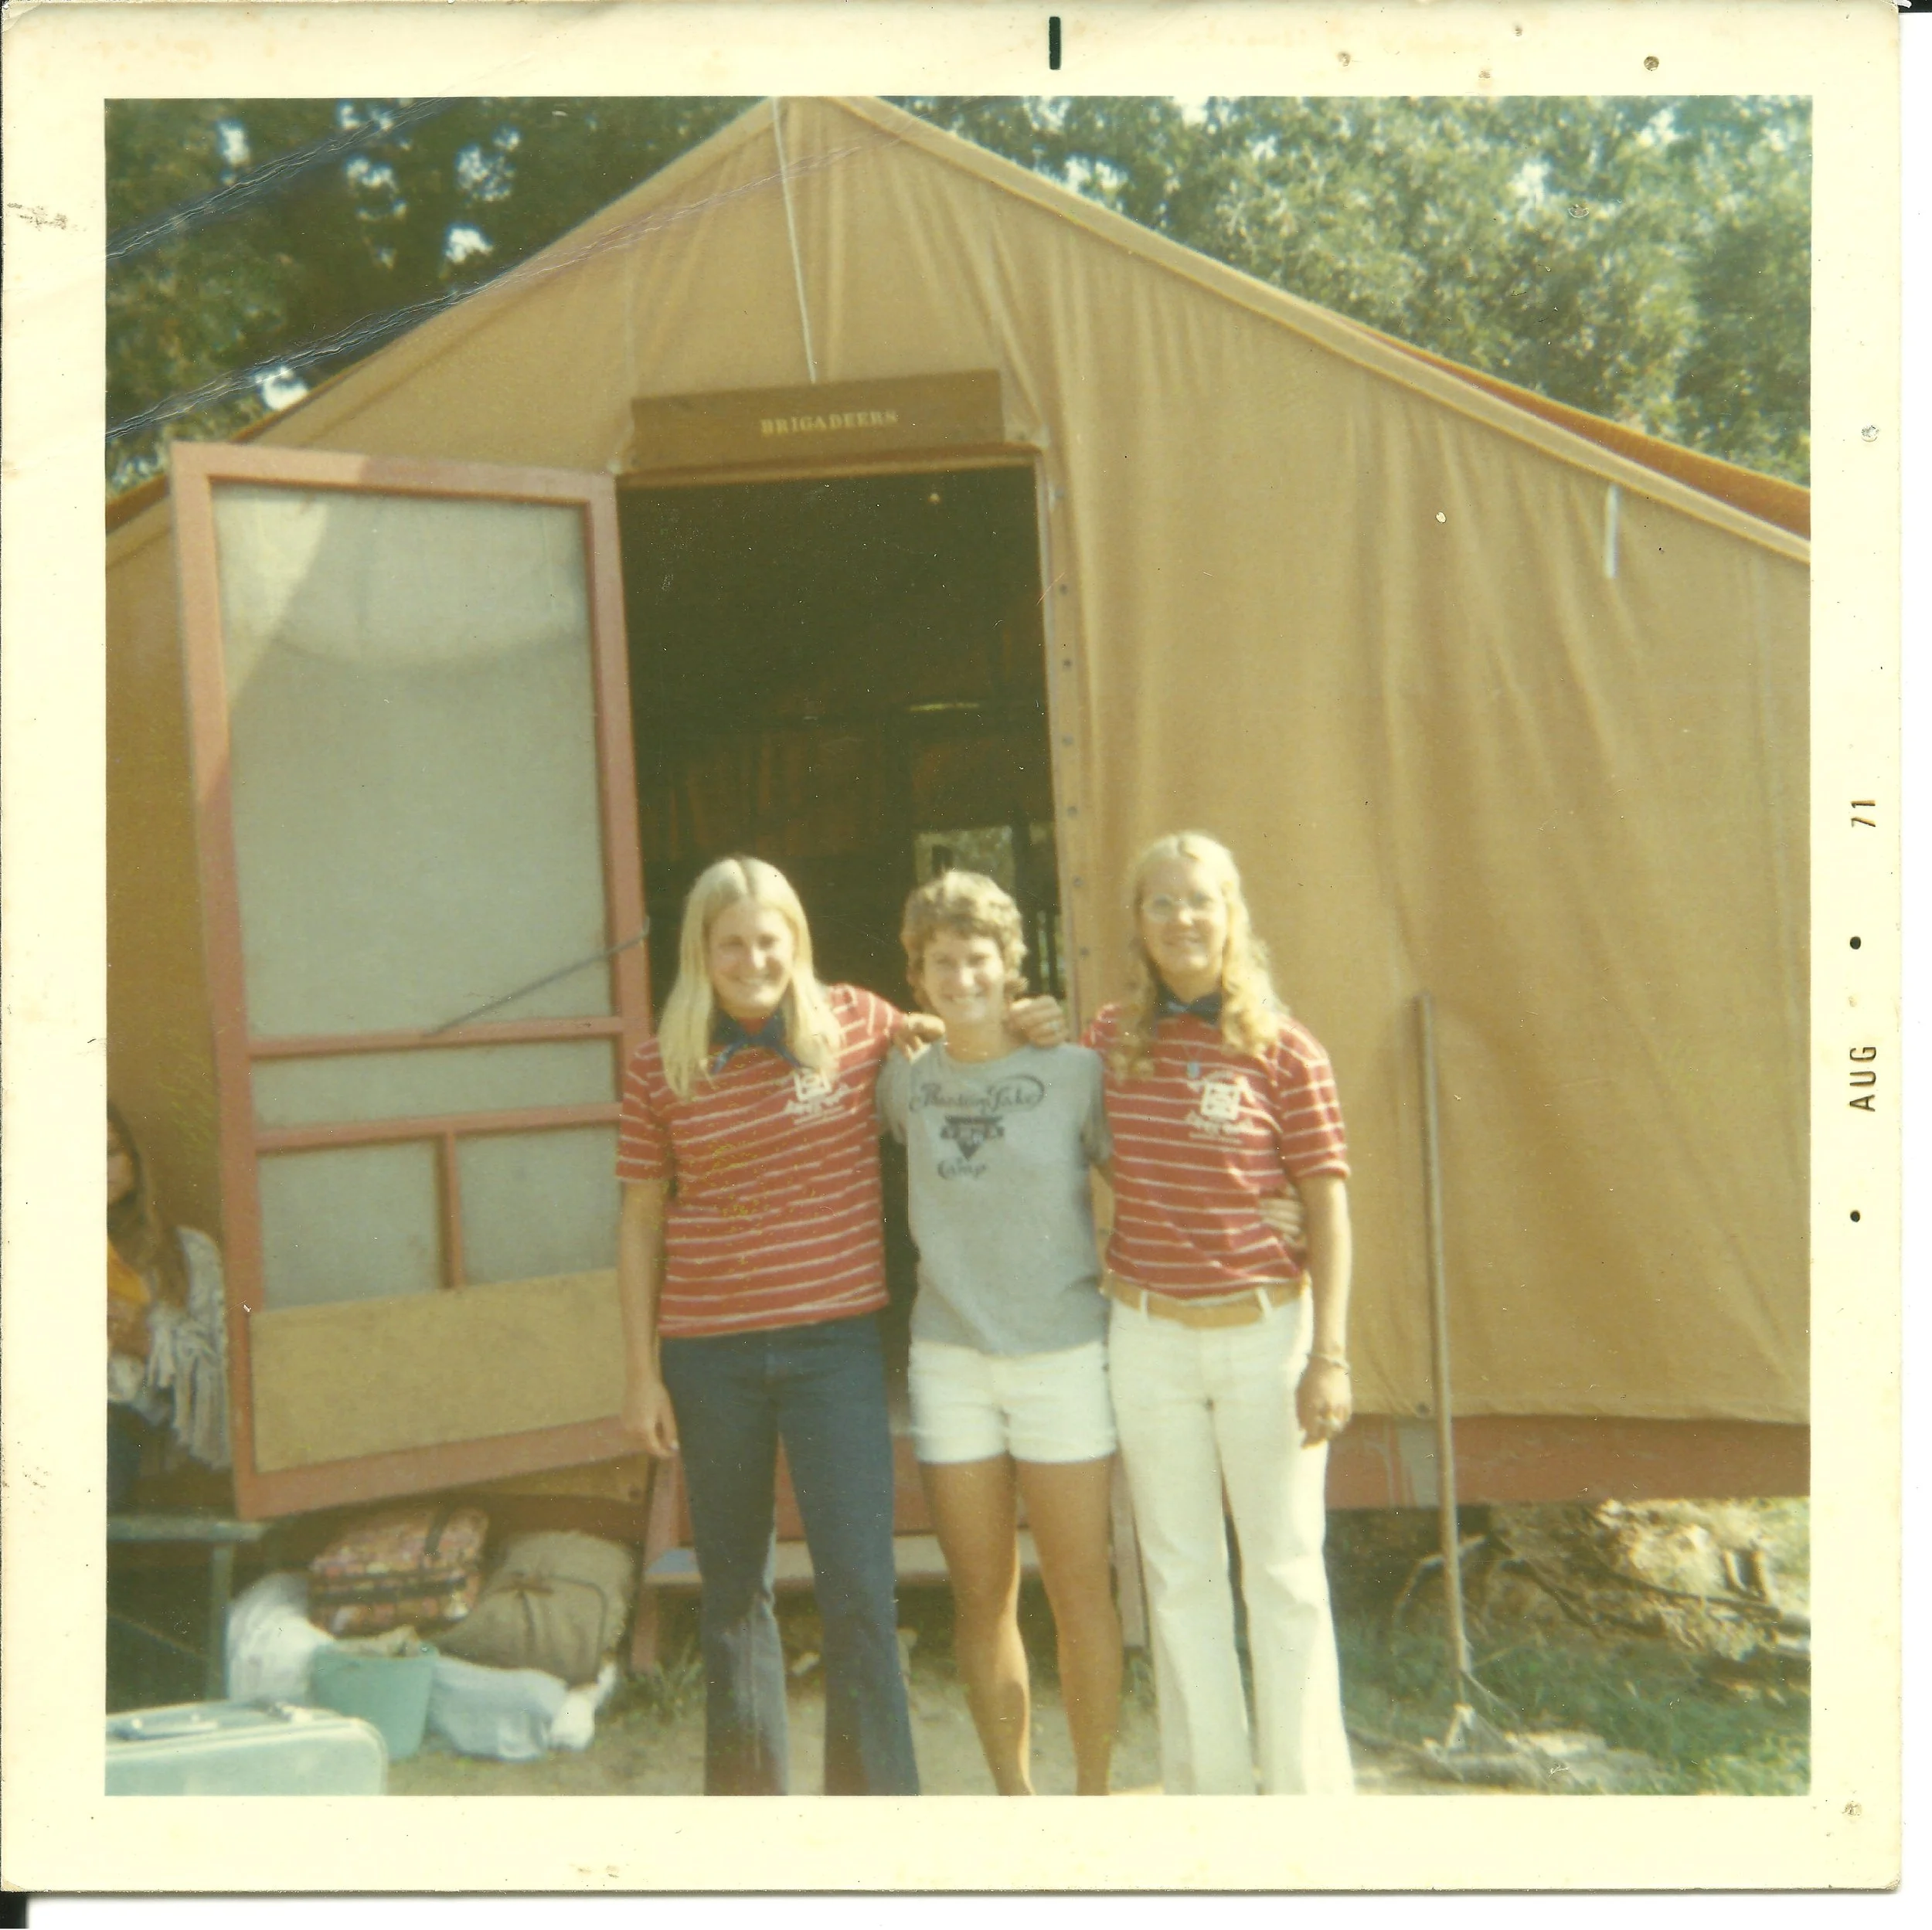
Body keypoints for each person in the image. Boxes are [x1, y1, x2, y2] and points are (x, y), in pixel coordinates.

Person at [614, 855, 1062, 1796]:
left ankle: (878, 1821)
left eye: (768, 938)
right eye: (729, 941)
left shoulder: (859, 1022)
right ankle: (750, 1823)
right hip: (709, 1354)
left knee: (860, 1586)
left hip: (834, 1350)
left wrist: (1027, 1020)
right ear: (703, 948)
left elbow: (963, 1044)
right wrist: (641, 1372)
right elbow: (641, 1218)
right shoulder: (660, 1060)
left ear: (796, 941)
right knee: (733, 1589)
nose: (751, 958)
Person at [1084, 832, 1355, 1795]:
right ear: (1138, 923)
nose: (1182, 919)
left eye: (1200, 901)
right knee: (1179, 1570)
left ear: (1232, 914)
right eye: (1160, 903)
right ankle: (1208, 1802)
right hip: (1149, 1336)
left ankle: (1305, 1802)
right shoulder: (1109, 1039)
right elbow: (1064, 1127)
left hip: (1266, 1333)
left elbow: (1326, 1201)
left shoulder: (1286, 1047)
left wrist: (1329, 1355)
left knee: (1282, 1570)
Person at [876, 871, 1121, 1796]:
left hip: (1062, 1351)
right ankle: (1015, 1805)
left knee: (1078, 1588)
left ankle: (1092, 1799)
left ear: (1010, 964)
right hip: (951, 1360)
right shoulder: (904, 1079)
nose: (962, 977)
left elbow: (1148, 1178)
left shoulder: (1073, 1070)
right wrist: (904, 1038)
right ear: (920, 973)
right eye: (942, 962)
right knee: (982, 1595)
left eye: (979, 959)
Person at [107, 1103, 230, 1510]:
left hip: (130, 1429)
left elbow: (220, 1381)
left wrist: (146, 1341)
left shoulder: (186, 1253)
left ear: (133, 1160)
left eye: (109, 1154)